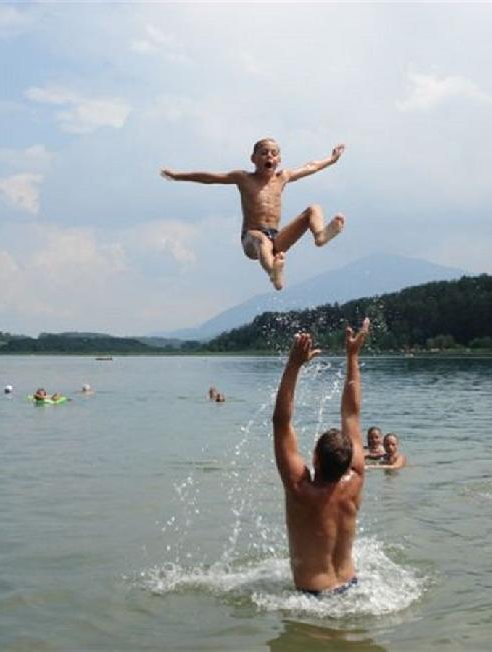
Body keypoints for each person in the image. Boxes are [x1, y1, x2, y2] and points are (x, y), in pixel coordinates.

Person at [161, 139, 346, 290]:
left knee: (313, 209)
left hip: (277, 238)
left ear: (279, 160)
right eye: (264, 152)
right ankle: (273, 272)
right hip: (251, 238)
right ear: (253, 158)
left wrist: (331, 159)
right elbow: (210, 177)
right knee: (262, 241)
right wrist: (178, 176)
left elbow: (310, 167)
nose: (269, 156)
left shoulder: (283, 177)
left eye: (274, 153)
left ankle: (321, 235)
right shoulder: (243, 178)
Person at [272, 318, 370, 595]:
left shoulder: (299, 489)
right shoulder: (357, 479)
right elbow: (352, 413)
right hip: (352, 587)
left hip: (311, 597)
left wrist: (294, 365)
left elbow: (281, 422)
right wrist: (352, 356)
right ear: (349, 461)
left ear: (314, 458)